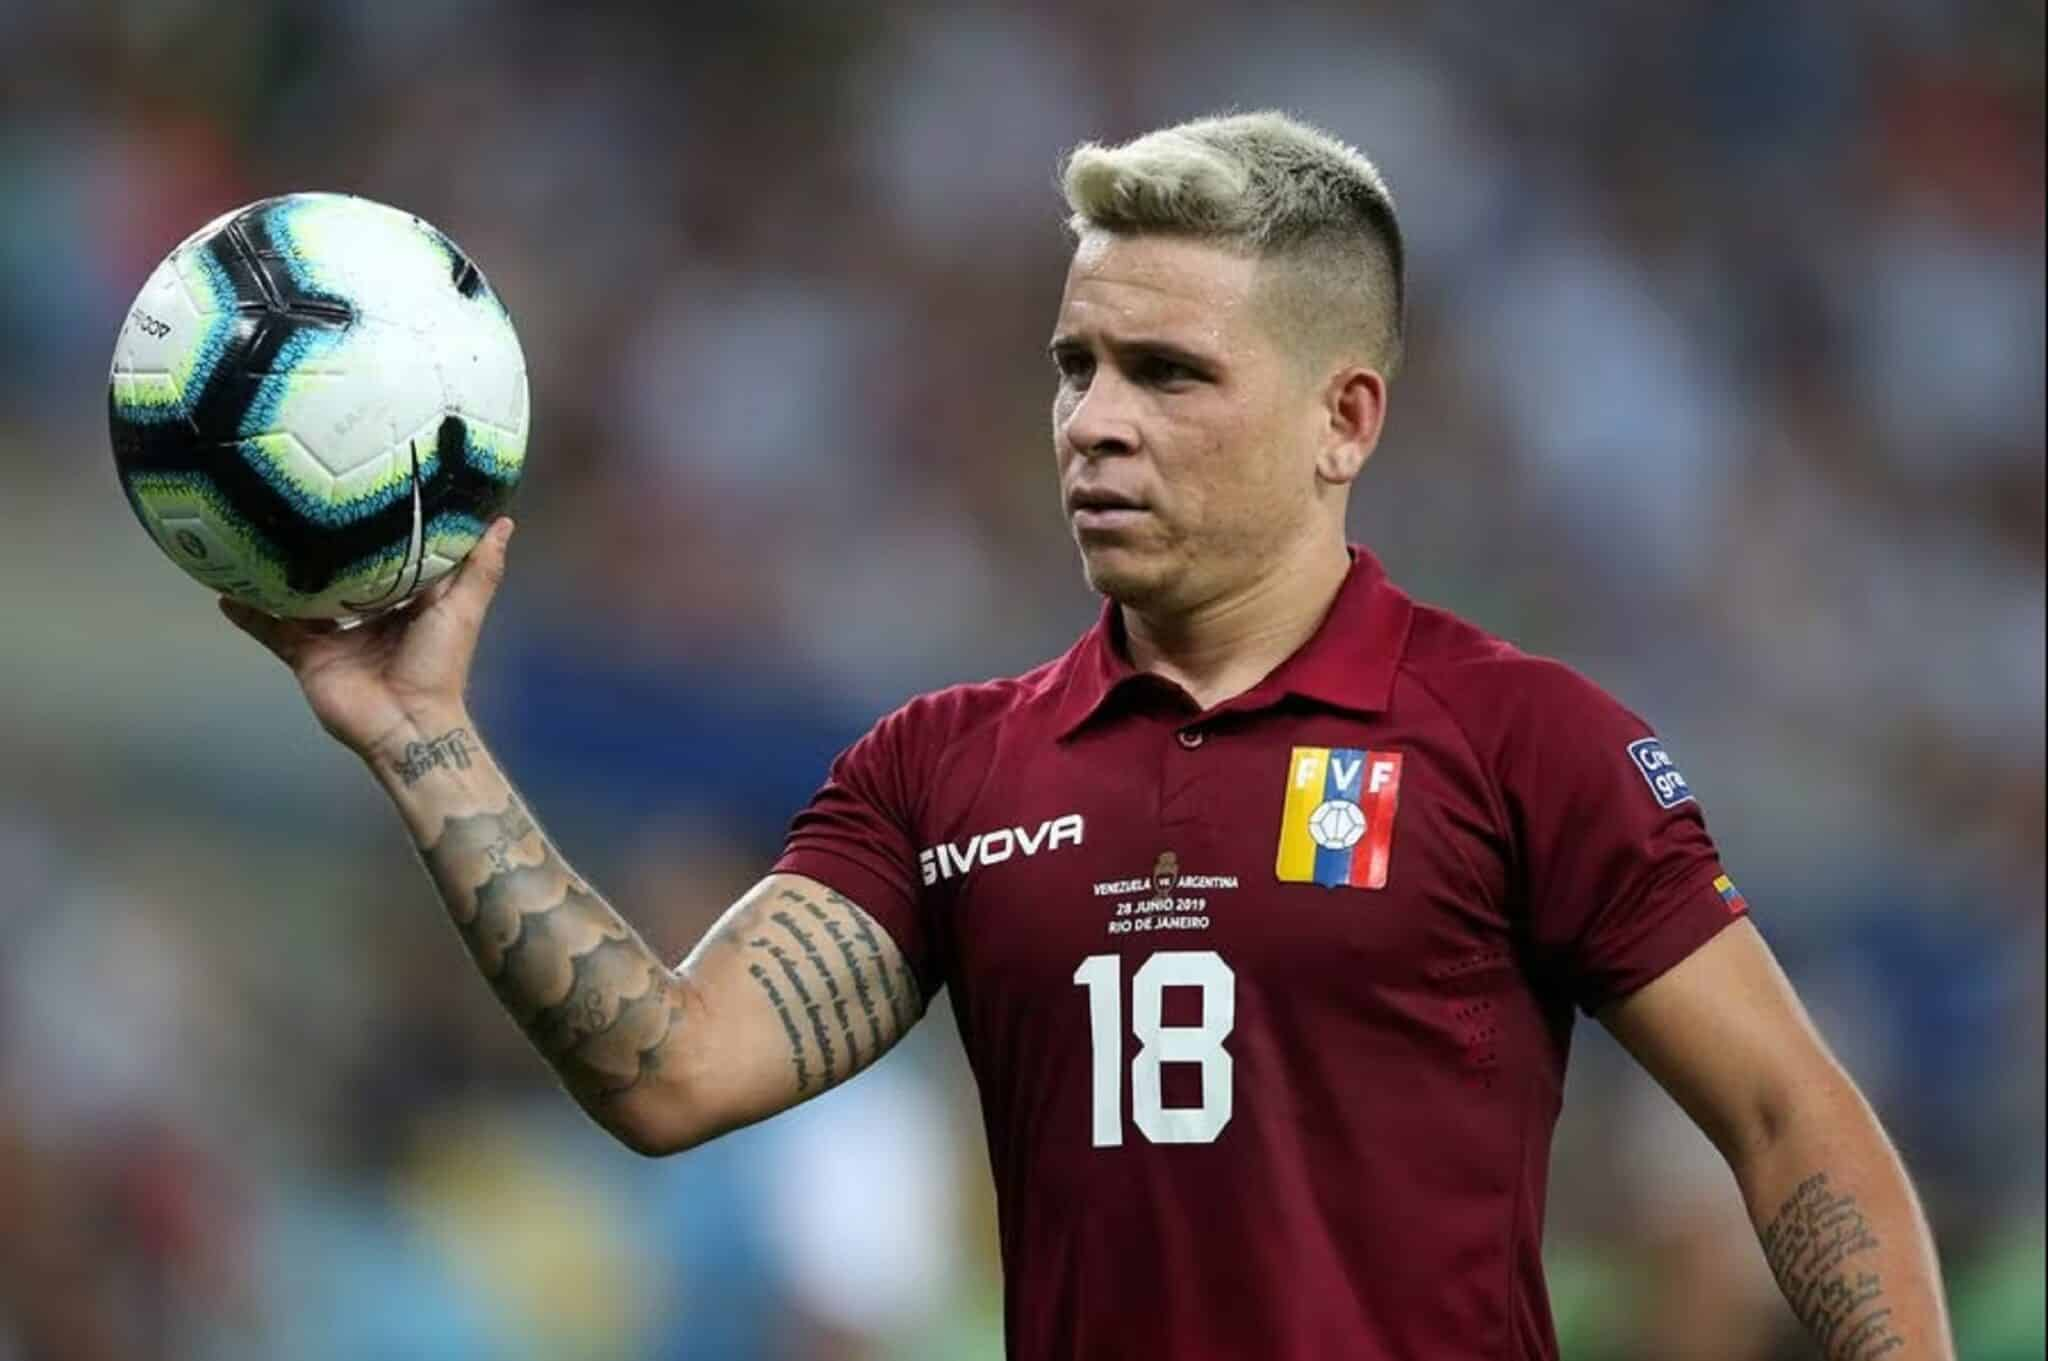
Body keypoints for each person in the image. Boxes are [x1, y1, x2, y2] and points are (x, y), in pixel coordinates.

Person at [223, 112, 1955, 1360]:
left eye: (1168, 374)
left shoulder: (1521, 743)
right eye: (1076, 366)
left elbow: (1791, 1121)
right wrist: (421, 735)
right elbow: (670, 1071)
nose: (1095, 422)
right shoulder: (942, 773)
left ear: (1346, 418)